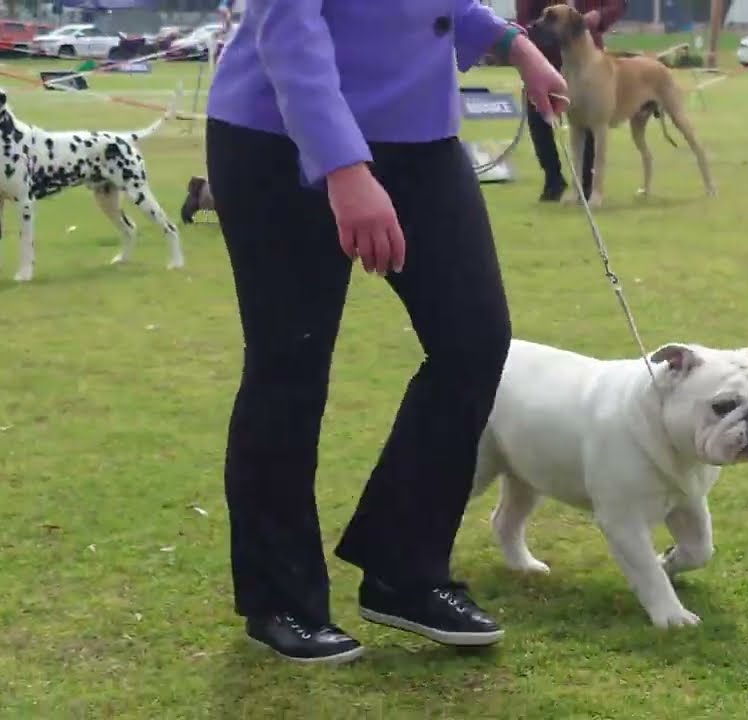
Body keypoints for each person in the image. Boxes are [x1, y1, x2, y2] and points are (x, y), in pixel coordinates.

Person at [203, 0, 567, 664]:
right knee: (290, 365)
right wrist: (343, 166)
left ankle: (404, 567)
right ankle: (280, 596)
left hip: (420, 137)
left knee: (474, 341)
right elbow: (289, 24)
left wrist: (512, 42)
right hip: (280, 135)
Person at [518, 0, 627, 202]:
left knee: (590, 122)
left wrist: (600, 16)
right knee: (538, 115)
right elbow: (524, 18)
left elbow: (617, 5)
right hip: (544, 59)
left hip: (586, 54)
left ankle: (588, 186)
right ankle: (553, 180)